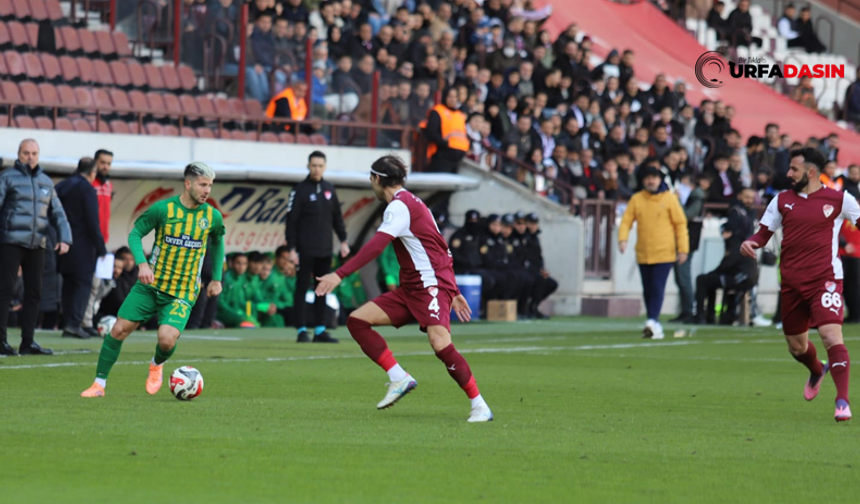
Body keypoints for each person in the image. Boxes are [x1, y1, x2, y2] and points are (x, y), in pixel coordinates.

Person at [314, 155, 493, 422]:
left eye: (371, 179)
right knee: (357, 321)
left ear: (376, 179)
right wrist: (454, 290)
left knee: (440, 343)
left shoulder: (399, 207)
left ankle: (480, 406)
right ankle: (399, 377)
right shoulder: (413, 202)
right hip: (411, 288)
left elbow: (377, 246)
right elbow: (441, 247)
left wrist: (339, 274)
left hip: (430, 285)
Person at [80, 162, 226, 398]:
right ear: (188, 184)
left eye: (210, 185)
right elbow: (135, 234)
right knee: (118, 330)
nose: (207, 190)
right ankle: (99, 384)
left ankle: (156, 364)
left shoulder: (212, 216)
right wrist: (142, 264)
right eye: (203, 185)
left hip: (182, 291)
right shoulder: (163, 209)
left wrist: (216, 279)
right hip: (150, 286)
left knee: (166, 340)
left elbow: (218, 242)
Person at [741, 148, 855, 421]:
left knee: (831, 336)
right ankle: (817, 369)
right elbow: (763, 233)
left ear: (811, 172)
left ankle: (842, 401)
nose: (788, 173)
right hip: (792, 283)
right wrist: (751, 242)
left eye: (794, 169)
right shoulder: (781, 200)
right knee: (797, 347)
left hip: (825, 280)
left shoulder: (840, 199)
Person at [0, 139, 72, 356]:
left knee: (34, 293)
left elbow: (58, 213)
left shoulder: (46, 182)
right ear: (18, 154)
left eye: (34, 153)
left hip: (37, 244)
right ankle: (1, 341)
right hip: (10, 241)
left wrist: (65, 238)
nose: (30, 157)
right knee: (5, 291)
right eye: (26, 153)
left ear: (38, 155)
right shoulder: (7, 177)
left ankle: (28, 343)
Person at [618, 166, 689, 340]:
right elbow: (626, 220)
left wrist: (683, 249)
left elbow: (680, 224)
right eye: (648, 178)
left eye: (654, 178)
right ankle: (652, 321)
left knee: (657, 286)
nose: (651, 181)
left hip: (664, 252)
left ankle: (653, 320)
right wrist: (623, 239)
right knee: (647, 289)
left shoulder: (669, 199)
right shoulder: (637, 199)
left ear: (660, 180)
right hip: (644, 251)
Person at [285, 151, 349, 343]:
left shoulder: (329, 189)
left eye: (320, 166)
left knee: (322, 289)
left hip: (325, 249)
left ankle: (320, 330)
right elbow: (291, 221)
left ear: (325, 167)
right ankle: (301, 330)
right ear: (308, 166)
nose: (317, 169)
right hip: (305, 249)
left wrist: (343, 240)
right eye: (313, 165)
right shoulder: (299, 190)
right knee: (302, 288)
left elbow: (337, 217)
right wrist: (292, 248)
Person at [55, 157, 107, 339]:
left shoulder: (62, 186)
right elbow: (92, 222)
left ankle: (68, 322)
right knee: (82, 284)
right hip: (83, 246)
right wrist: (101, 247)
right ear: (92, 173)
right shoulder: (87, 189)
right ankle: (74, 324)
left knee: (68, 284)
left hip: (62, 242)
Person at [695, 188, 758, 324]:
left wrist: (716, 271)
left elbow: (729, 263)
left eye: (751, 198)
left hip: (740, 276)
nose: (749, 201)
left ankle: (701, 316)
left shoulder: (736, 240)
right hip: (747, 275)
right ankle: (712, 316)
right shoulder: (748, 220)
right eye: (747, 197)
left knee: (703, 280)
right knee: (711, 279)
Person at [83, 149, 114, 336]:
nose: (106, 167)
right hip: (88, 242)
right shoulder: (89, 184)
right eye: (103, 163)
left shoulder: (108, 185)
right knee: (86, 284)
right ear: (95, 163)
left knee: (97, 285)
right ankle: (83, 321)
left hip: (103, 242)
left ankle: (88, 320)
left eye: (109, 164)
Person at [670, 174, 704, 323]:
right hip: (683, 241)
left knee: (684, 277)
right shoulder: (694, 197)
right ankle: (685, 310)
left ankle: (689, 310)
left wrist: (677, 201)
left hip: (688, 242)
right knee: (680, 277)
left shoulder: (696, 198)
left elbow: (684, 216)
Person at [422, 86, 469, 174]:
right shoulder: (438, 111)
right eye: (450, 96)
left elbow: (463, 134)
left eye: (455, 97)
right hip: (442, 155)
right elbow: (431, 132)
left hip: (458, 158)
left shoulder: (460, 115)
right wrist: (444, 143)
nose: (453, 99)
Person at [522, 212, 557, 318]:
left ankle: (534, 305)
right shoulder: (523, 238)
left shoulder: (535, 238)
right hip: (525, 270)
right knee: (538, 280)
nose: (533, 226)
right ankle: (526, 309)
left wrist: (542, 269)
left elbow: (538, 257)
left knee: (552, 284)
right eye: (530, 223)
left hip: (535, 270)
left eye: (535, 223)